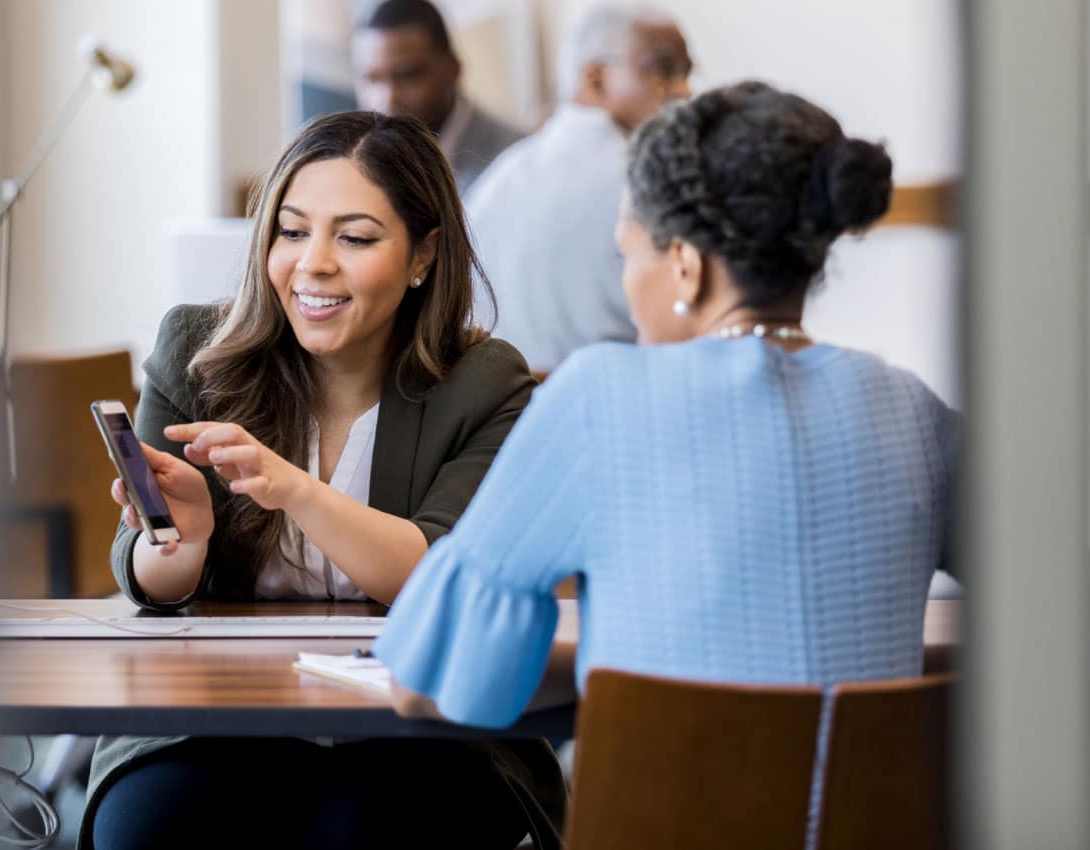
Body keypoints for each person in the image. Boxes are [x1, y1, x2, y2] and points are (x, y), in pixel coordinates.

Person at [377, 81, 959, 787]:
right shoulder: (914, 412)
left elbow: (429, 678)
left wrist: (614, 667)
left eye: (628, 254)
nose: (626, 283)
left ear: (685, 263)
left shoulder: (598, 396)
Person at [81, 111, 565, 850]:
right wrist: (181, 538)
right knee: (148, 830)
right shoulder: (194, 353)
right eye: (292, 230)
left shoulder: (485, 382)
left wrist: (296, 490)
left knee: (366, 830)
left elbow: (442, 575)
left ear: (422, 256)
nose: (313, 263)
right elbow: (149, 577)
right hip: (215, 725)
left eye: (356, 237)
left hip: (421, 731)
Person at [467, 6, 692, 373]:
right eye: (664, 70)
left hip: (501, 419)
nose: (684, 90)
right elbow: (688, 333)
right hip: (621, 410)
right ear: (596, 79)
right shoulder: (648, 182)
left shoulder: (498, 180)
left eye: (686, 73)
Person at [352, 0, 523, 195]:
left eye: (408, 76)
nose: (388, 99)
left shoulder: (514, 162)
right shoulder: (357, 162)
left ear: (454, 69)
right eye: (372, 79)